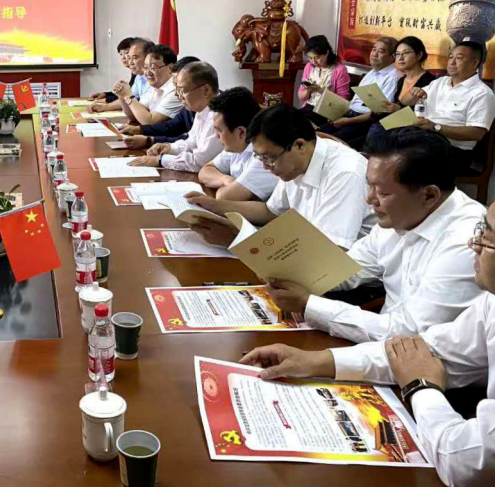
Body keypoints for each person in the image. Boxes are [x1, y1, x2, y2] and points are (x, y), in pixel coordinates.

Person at [241, 199, 495, 486]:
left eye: (486, 238)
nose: (473, 244)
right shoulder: (491, 303)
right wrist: (315, 361)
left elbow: (466, 463)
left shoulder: (456, 240)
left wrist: (420, 386)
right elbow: (422, 351)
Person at [267, 127, 485, 343]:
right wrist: (287, 273)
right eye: (369, 186)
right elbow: (345, 269)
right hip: (381, 342)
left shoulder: (467, 243)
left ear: (429, 195)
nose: (370, 199)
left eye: (382, 192)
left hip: (416, 354)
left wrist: (308, 304)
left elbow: (411, 334)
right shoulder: (399, 216)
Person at [187, 105, 376, 249]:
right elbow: (270, 212)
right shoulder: (295, 162)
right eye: (260, 158)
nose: (265, 167)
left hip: (341, 273)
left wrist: (237, 239)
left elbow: (326, 252)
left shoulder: (345, 173)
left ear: (299, 145)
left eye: (269, 158)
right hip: (306, 252)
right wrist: (214, 206)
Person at [411, 40, 495, 171]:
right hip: (424, 138)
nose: (452, 62)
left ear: (474, 63)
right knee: (386, 137)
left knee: (406, 157)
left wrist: (436, 127)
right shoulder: (439, 82)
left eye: (459, 58)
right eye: (451, 57)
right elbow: (409, 101)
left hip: (454, 150)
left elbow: (477, 133)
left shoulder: (482, 93)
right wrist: (414, 92)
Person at [129, 61, 223, 172]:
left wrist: (160, 160)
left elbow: (200, 162)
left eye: (181, 90)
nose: (177, 95)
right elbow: (191, 143)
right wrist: (170, 148)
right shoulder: (202, 109)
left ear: (206, 90)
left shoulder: (219, 115)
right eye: (176, 89)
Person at [198, 87, 278, 201]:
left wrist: (226, 186)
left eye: (219, 130)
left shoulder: (264, 155)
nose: (216, 136)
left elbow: (225, 197)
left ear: (241, 132)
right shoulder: (236, 146)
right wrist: (225, 180)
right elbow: (205, 171)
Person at [319, 36, 400, 149]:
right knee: (315, 134)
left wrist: (348, 121)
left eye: (381, 51)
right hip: (349, 115)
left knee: (328, 144)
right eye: (374, 49)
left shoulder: (393, 77)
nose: (374, 54)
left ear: (392, 57)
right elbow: (354, 102)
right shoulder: (372, 72)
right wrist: (336, 113)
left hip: (363, 122)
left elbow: (379, 112)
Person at [364, 36, 436, 148]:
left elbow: (426, 114)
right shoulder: (401, 80)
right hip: (394, 125)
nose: (400, 58)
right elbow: (396, 107)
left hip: (414, 131)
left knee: (376, 132)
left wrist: (399, 109)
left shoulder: (430, 82)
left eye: (406, 53)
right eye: (397, 54)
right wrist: (382, 109)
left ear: (419, 55)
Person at [121, 56, 200, 150]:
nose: (176, 93)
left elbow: (192, 142)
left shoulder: (212, 112)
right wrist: (139, 129)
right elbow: (171, 126)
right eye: (146, 67)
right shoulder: (190, 107)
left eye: (181, 88)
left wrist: (149, 141)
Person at [115, 44, 183, 126]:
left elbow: (150, 122)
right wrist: (122, 95)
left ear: (170, 68)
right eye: (146, 67)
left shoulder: (176, 90)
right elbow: (134, 115)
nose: (148, 73)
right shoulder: (154, 87)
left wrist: (128, 96)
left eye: (153, 68)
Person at [298, 35, 351, 127]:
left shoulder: (339, 70)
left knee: (298, 123)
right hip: (309, 107)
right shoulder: (309, 67)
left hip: (326, 111)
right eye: (310, 58)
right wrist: (309, 90)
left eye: (317, 57)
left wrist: (321, 90)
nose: (314, 62)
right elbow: (301, 97)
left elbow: (343, 101)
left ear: (326, 53)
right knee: (287, 117)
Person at [89, 38, 153, 113]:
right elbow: (131, 98)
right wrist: (105, 107)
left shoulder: (154, 79)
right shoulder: (139, 77)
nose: (130, 62)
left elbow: (138, 105)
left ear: (148, 58)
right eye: (129, 58)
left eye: (134, 58)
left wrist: (110, 100)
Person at [90, 37, 139, 104]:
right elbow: (126, 93)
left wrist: (106, 100)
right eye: (121, 54)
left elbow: (132, 97)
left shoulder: (140, 73)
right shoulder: (134, 72)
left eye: (126, 53)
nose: (123, 57)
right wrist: (106, 94)